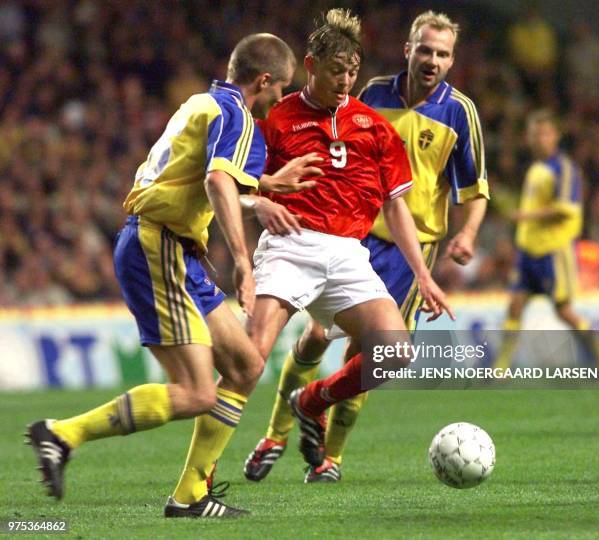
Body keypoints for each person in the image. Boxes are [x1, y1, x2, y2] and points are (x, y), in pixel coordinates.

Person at [25, 33, 323, 518]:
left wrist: (262, 187)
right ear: (264, 80)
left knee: (246, 366)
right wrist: (243, 260)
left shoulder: (203, 103)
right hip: (158, 244)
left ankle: (190, 495)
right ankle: (62, 434)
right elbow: (216, 180)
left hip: (170, 248)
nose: (282, 100)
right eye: (282, 89)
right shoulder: (239, 115)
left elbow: (203, 177)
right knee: (198, 392)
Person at [244, 10, 489, 483]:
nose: (432, 60)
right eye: (425, 49)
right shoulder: (370, 94)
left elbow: (475, 188)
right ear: (408, 49)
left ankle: (329, 457)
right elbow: (336, 141)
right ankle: (276, 433)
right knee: (314, 337)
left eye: (442, 53)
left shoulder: (460, 112)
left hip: (407, 248)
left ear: (452, 60)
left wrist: (467, 234)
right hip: (350, 236)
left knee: (370, 353)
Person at [494, 109, 599, 371]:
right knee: (515, 306)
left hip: (553, 251)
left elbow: (567, 208)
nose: (538, 139)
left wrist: (526, 215)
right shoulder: (536, 168)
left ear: (555, 136)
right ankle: (501, 367)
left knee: (564, 311)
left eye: (544, 133)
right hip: (527, 252)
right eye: (534, 134)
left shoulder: (564, 168)